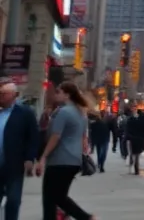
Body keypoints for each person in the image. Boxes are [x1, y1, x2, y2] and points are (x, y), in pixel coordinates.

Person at [37, 81, 95, 220]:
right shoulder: (81, 113)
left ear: (67, 95)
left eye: (58, 92)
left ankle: (86, 217)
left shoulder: (63, 112)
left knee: (51, 198)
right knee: (58, 196)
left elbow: (55, 136)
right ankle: (83, 217)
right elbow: (83, 138)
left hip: (59, 160)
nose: (56, 95)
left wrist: (43, 156)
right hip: (74, 160)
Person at [0, 77, 39, 220]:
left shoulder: (25, 113)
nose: (1, 97)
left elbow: (33, 137)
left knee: (13, 199)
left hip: (14, 165)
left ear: (14, 95)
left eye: (4, 94)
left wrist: (30, 158)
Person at [123, 108, 144, 174]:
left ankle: (133, 163)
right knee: (137, 153)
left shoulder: (130, 120)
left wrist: (127, 137)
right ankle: (136, 165)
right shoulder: (142, 120)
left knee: (132, 152)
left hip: (132, 138)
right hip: (140, 139)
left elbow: (127, 130)